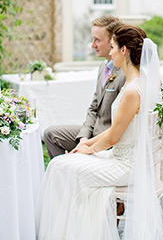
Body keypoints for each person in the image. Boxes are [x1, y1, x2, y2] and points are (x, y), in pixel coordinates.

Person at [36, 25, 163, 240]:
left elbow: (113, 136)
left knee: (60, 167)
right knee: (64, 165)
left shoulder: (132, 91)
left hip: (126, 165)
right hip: (124, 157)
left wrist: (87, 150)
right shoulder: (140, 83)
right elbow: (115, 134)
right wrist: (85, 145)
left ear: (124, 50)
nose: (109, 52)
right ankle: (73, 239)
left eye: (112, 47)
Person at [43, 15, 125, 159]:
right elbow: (93, 108)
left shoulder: (125, 73)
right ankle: (66, 176)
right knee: (51, 135)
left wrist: (88, 146)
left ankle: (75, 169)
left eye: (97, 40)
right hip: (92, 133)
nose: (93, 45)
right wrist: (83, 139)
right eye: (92, 39)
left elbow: (119, 126)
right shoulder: (103, 67)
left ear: (113, 41)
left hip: (108, 140)